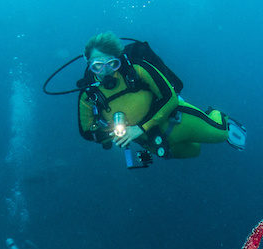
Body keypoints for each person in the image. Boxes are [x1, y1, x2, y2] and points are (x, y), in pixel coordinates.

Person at [77, 32, 246, 161]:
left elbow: (170, 97)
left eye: (112, 64)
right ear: (88, 62)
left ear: (118, 59)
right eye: (98, 66)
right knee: (194, 151)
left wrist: (139, 128)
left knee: (220, 134)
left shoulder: (137, 70)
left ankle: (218, 116)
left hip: (176, 119)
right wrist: (111, 133)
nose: (105, 72)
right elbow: (87, 131)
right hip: (149, 140)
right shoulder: (88, 94)